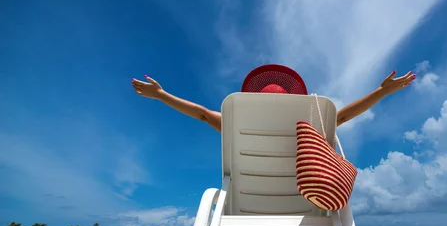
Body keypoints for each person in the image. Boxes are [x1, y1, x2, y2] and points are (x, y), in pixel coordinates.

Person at [131, 64, 416, 133]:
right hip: (302, 194)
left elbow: (202, 113)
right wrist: (383, 91)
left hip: (250, 196)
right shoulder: (306, 129)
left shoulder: (239, 128)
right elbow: (342, 116)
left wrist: (162, 95)